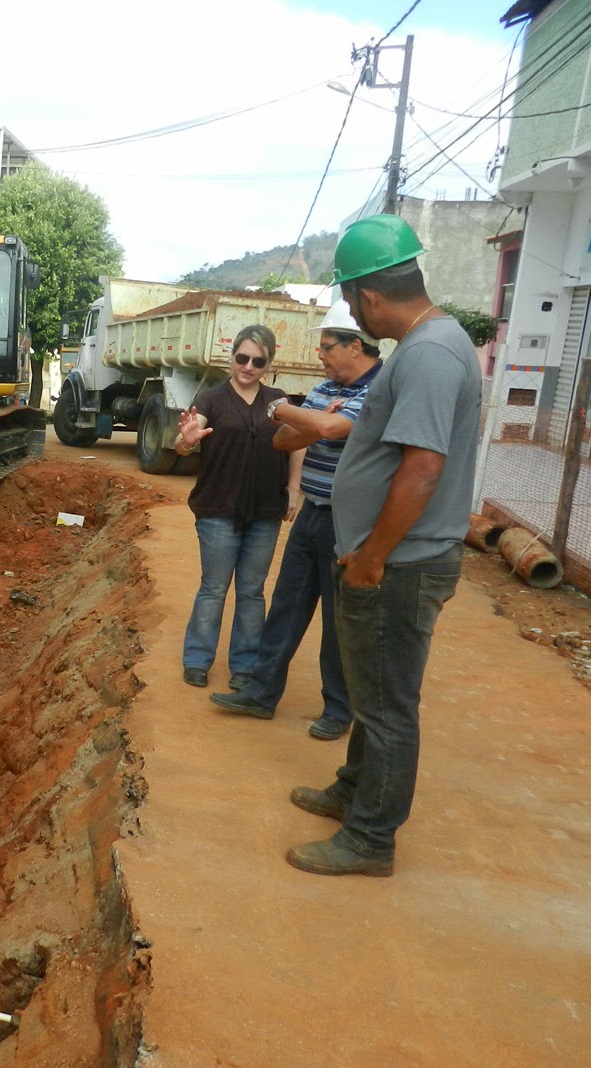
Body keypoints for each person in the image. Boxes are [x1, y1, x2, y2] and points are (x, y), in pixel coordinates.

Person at [286, 214, 481, 878]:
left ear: (368, 297)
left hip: (398, 562)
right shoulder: (434, 344)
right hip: (394, 556)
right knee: (372, 691)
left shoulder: (427, 354)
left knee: (388, 703)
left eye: (347, 297)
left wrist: (372, 556)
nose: (349, 310)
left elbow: (423, 468)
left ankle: (371, 838)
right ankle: (352, 791)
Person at [206, 300, 381, 739]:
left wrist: (287, 410)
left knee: (338, 621)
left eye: (325, 347)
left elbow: (327, 431)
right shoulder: (326, 389)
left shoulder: (381, 390)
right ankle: (261, 694)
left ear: (354, 346)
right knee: (285, 606)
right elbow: (285, 441)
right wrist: (317, 418)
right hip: (312, 515)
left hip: (351, 524)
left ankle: (338, 711)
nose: (319, 354)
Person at [174, 324, 302, 690]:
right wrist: (186, 442)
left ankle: (245, 666)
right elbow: (186, 436)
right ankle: (197, 659)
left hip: (264, 510)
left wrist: (293, 489)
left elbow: (298, 443)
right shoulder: (212, 399)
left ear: (268, 364)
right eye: (242, 358)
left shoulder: (277, 401)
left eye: (257, 361)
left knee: (251, 590)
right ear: (231, 358)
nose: (248, 366)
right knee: (213, 587)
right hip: (218, 509)